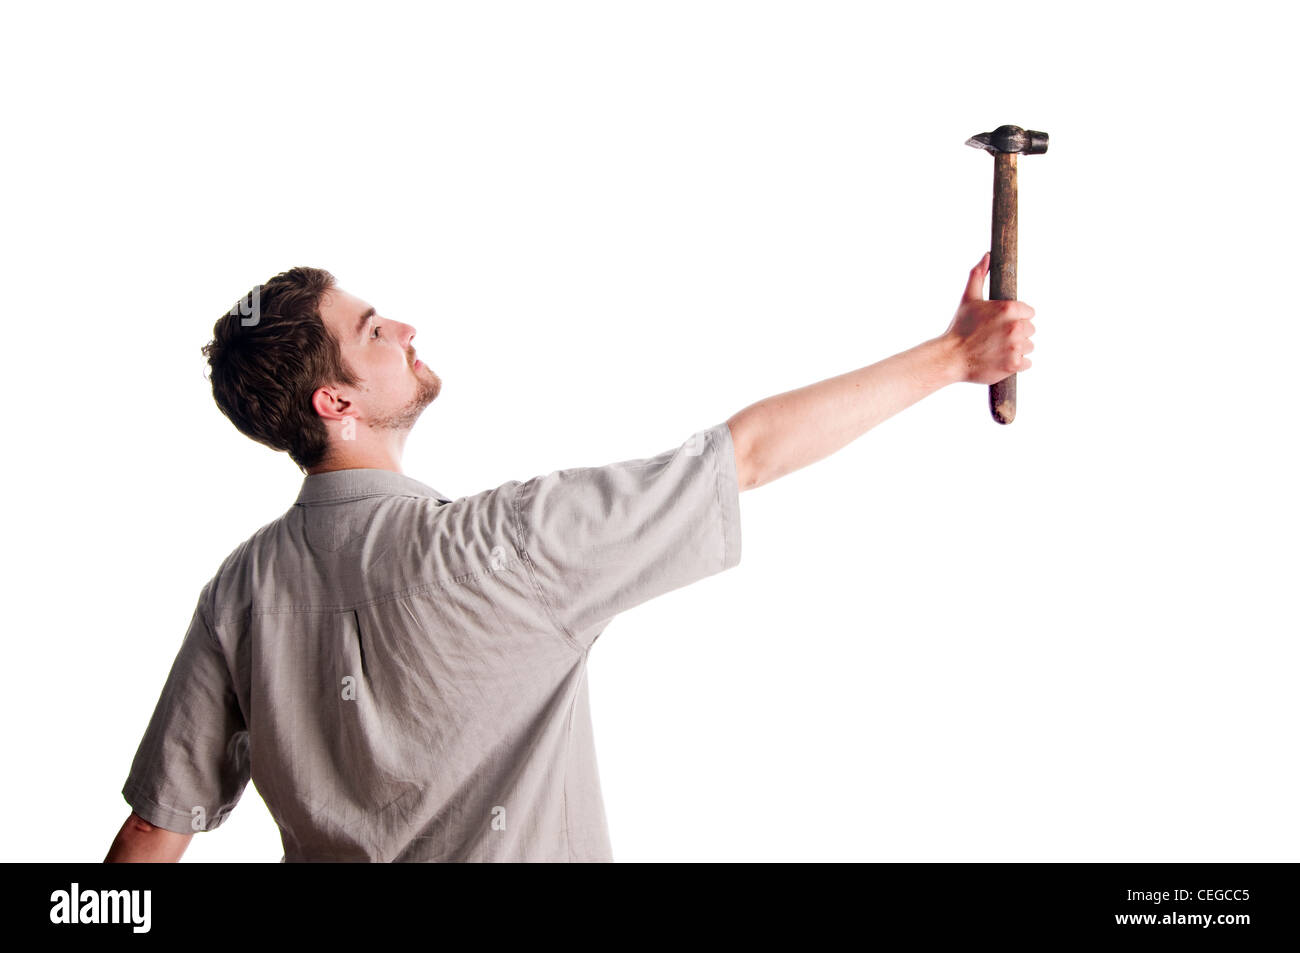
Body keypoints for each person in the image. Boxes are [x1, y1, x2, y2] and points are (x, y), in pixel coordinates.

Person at [105, 253, 1035, 862]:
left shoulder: (239, 591)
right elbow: (742, 455)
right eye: (373, 329)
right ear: (332, 403)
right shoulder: (504, 548)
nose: (406, 329)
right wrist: (953, 357)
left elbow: (158, 824)